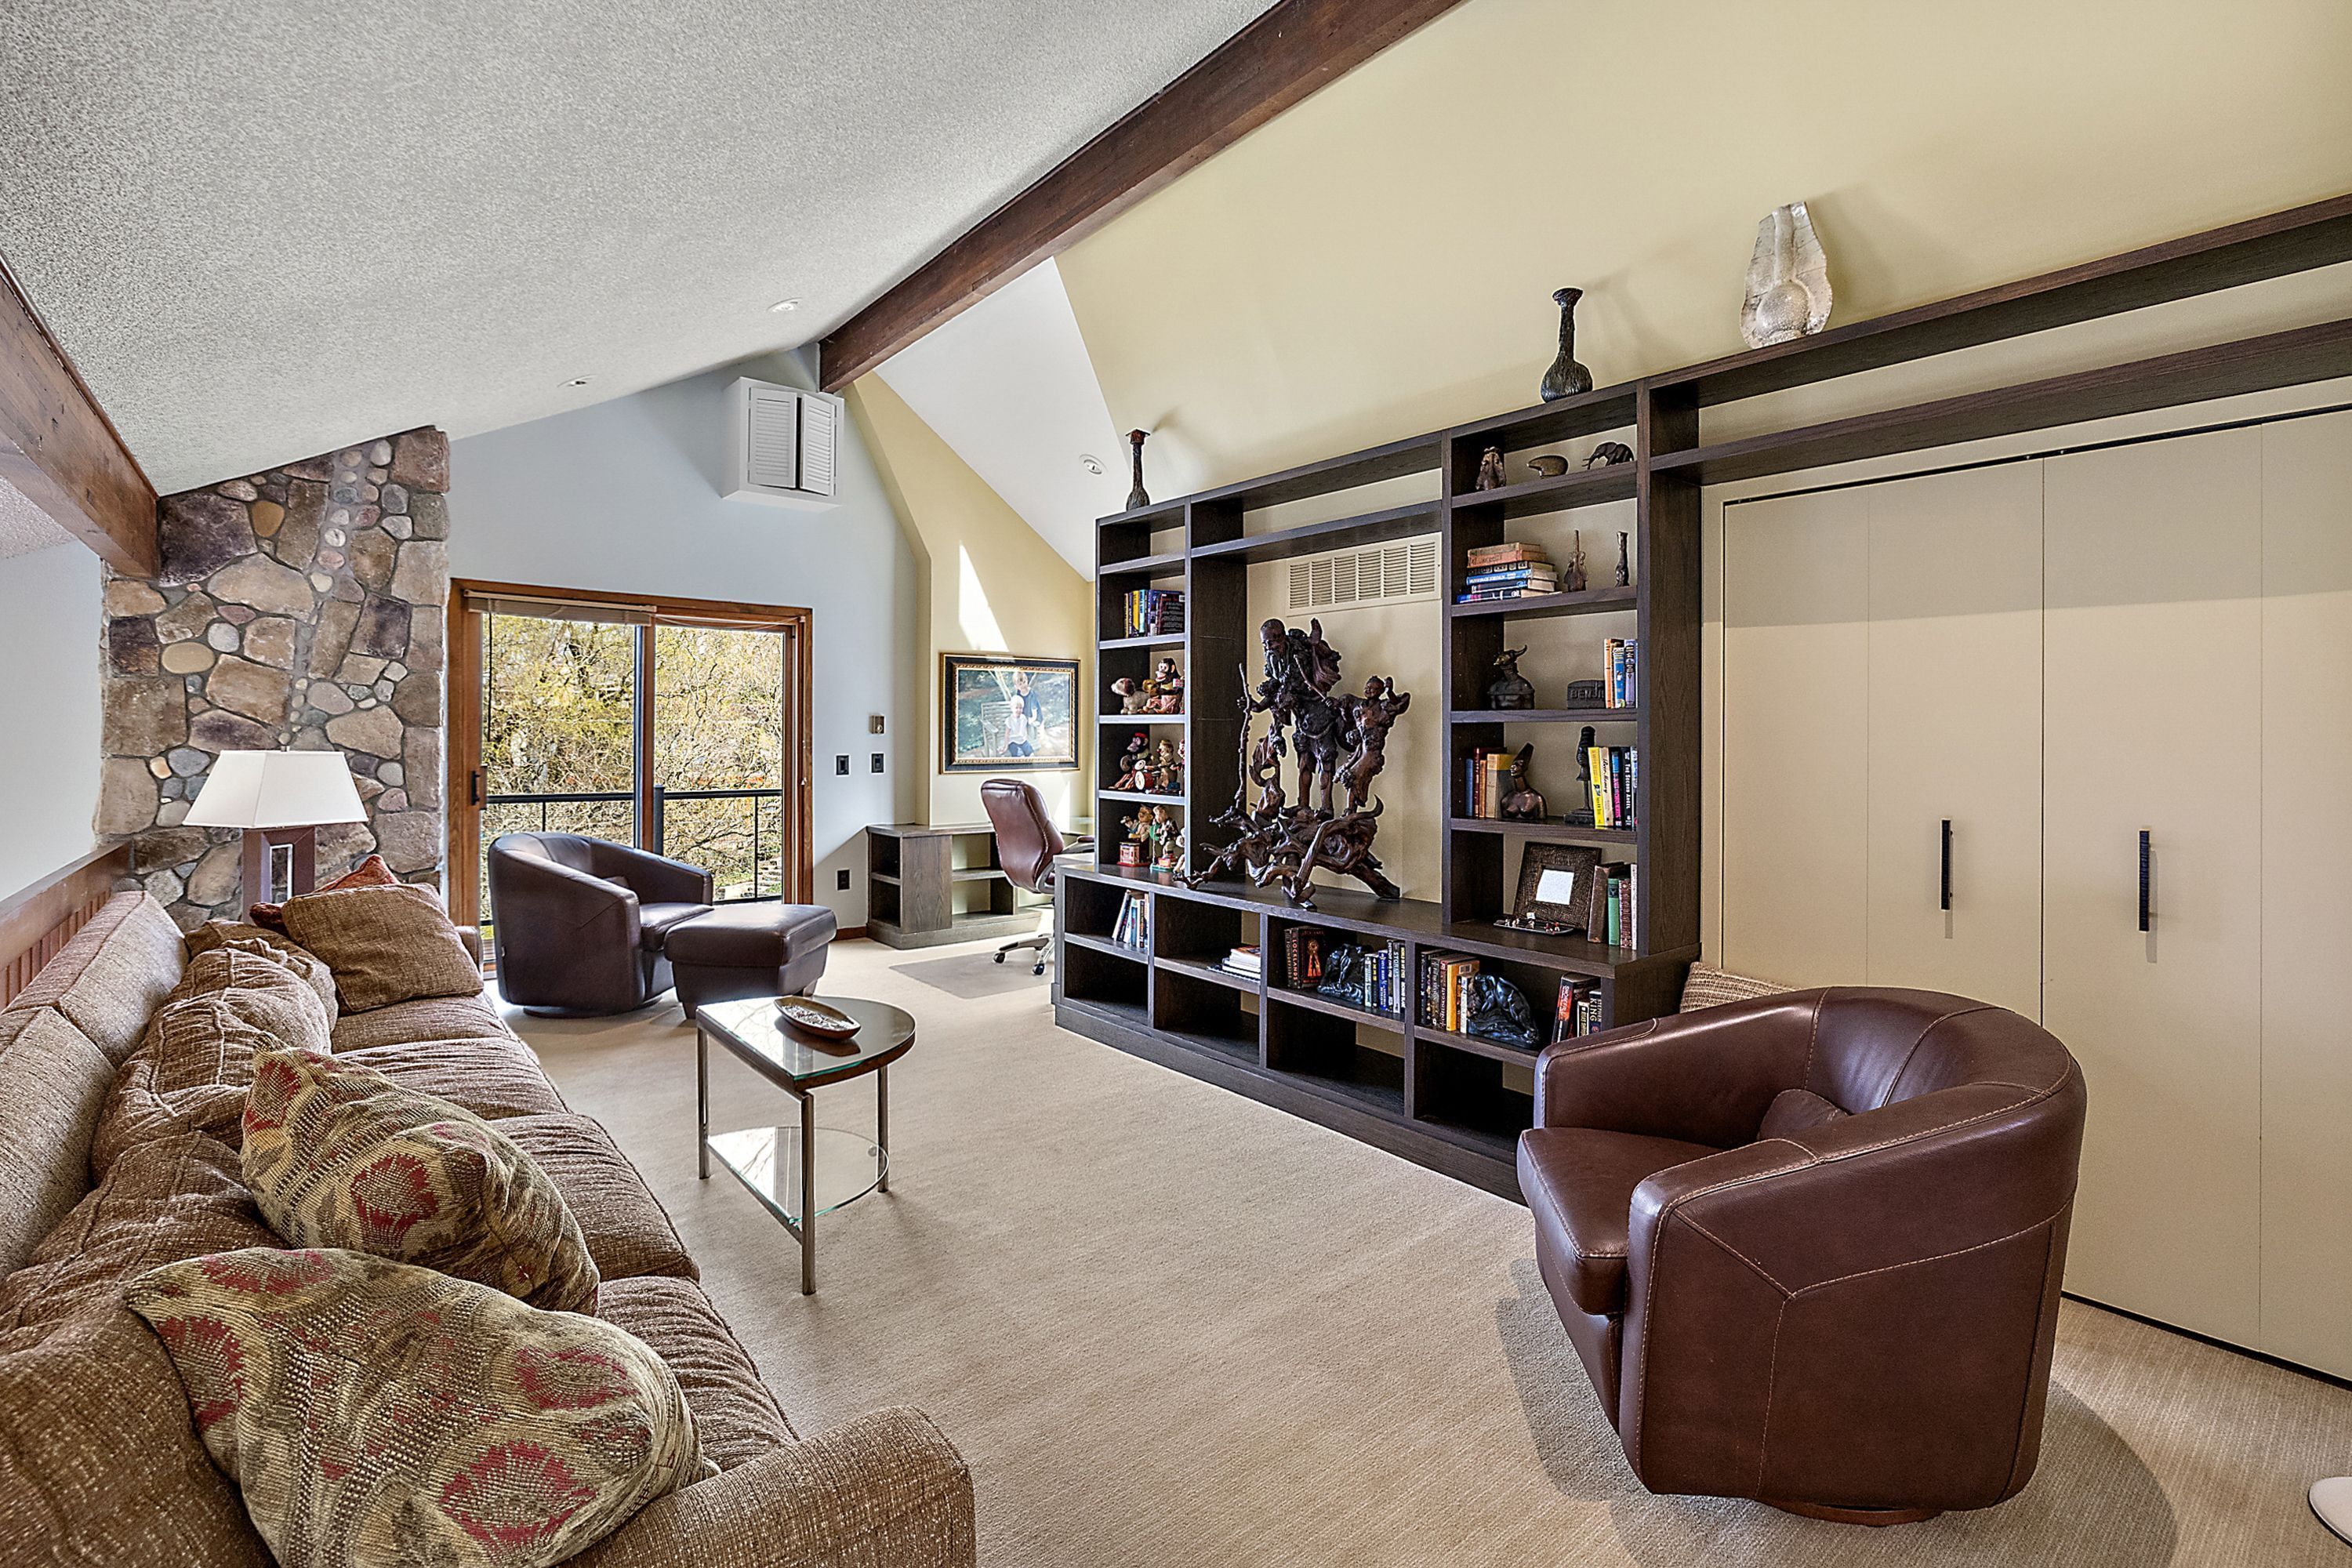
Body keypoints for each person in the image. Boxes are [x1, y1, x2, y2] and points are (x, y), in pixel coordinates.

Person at [1003, 670, 1036, 758]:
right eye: (1016, 708)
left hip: (1023, 741)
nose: (1018, 710)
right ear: (1012, 709)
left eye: (1020, 708)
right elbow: (1007, 734)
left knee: (1030, 753)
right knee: (1019, 754)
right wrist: (1005, 746)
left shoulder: (1023, 718)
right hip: (1013, 742)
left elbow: (1024, 731)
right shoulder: (1009, 720)